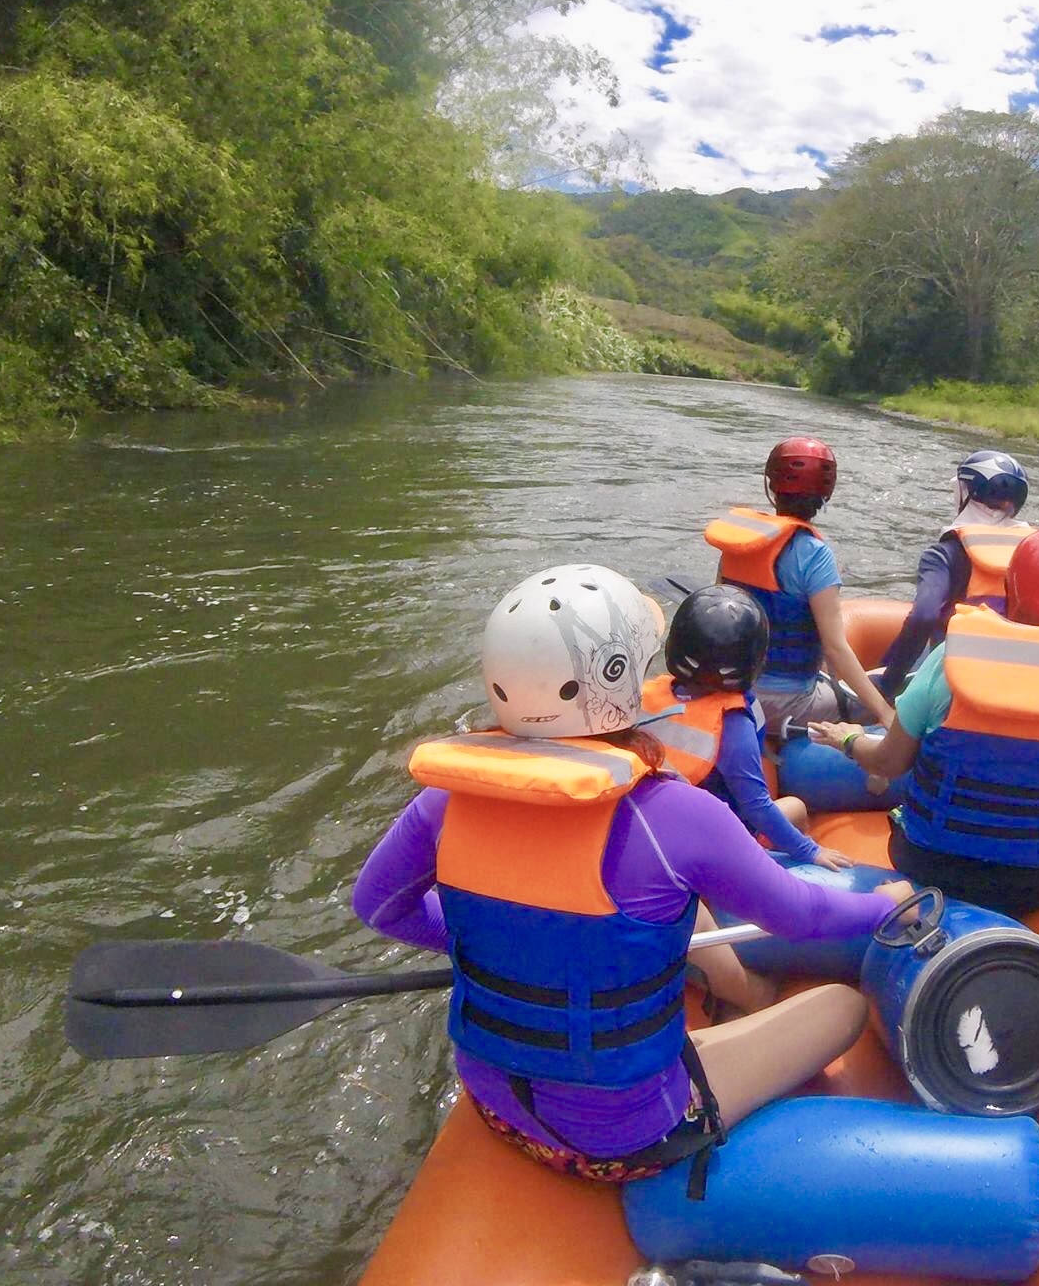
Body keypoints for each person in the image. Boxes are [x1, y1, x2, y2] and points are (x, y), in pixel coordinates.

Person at [354, 563, 911, 1187]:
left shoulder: (442, 802)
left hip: (496, 1109)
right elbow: (801, 916)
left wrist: (478, 942)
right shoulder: (677, 814)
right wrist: (885, 904)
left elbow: (378, 907)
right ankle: (740, 1001)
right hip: (627, 1137)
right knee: (838, 1009)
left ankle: (732, 999)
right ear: (615, 679)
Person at [809, 529, 1039, 918]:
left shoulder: (947, 664)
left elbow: (888, 763)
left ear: (1014, 593)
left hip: (928, 862)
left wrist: (850, 739)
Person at [642, 583, 854, 871]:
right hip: (716, 845)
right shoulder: (733, 724)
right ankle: (788, 866)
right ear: (752, 661)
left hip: (653, 830)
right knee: (796, 807)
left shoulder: (648, 696)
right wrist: (809, 852)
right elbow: (756, 805)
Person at [705, 436, 893, 734]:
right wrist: (885, 713)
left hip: (733, 691)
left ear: (772, 486)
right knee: (881, 692)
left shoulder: (738, 541)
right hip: (788, 702)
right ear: (826, 492)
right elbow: (835, 648)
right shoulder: (814, 555)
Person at [876, 450, 1033, 699]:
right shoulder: (1034, 552)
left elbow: (923, 617)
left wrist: (888, 685)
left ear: (966, 493)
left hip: (953, 680)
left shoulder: (943, 554)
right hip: (1014, 677)